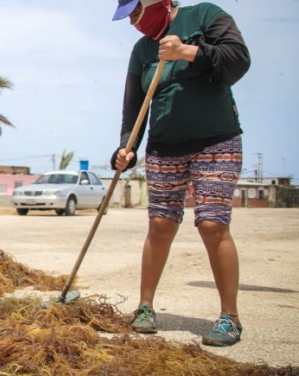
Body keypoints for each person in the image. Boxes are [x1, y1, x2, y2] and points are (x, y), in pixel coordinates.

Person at [110, 0, 251, 347]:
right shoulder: (142, 50)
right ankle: (145, 308)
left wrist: (189, 51)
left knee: (212, 223)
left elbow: (238, 60)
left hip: (216, 141)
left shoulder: (204, 16)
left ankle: (229, 317)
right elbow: (134, 107)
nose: (132, 21)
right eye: (127, 15)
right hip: (164, 145)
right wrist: (125, 147)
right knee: (160, 224)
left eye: (135, 12)